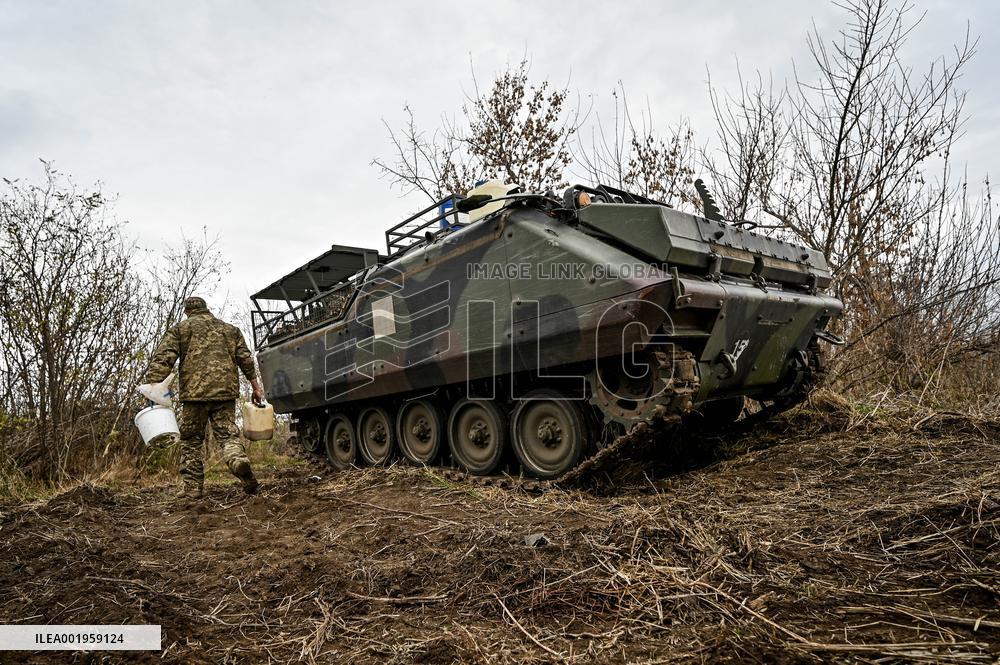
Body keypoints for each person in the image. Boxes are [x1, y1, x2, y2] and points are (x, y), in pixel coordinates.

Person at [145, 296, 266, 500]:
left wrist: (153, 389)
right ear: (206, 309)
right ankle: (239, 463)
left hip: (194, 395)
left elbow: (163, 359)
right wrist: (256, 387)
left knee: (191, 440)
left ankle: (193, 488)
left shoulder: (180, 329)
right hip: (225, 393)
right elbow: (245, 359)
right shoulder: (230, 330)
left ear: (187, 312)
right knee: (228, 436)